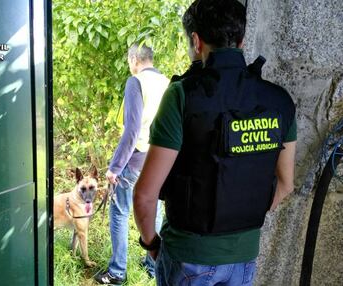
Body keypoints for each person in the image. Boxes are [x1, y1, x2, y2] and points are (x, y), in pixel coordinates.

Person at [133, 1, 297, 285]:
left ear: (196, 41)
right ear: (241, 41)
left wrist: (151, 244)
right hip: (244, 258)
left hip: (189, 256)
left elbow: (145, 195)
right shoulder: (278, 100)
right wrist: (240, 213)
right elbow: (286, 185)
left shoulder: (182, 96)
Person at [95, 43, 169, 285]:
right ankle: (152, 264)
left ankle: (117, 272)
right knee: (155, 209)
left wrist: (114, 168)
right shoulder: (168, 83)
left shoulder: (135, 82)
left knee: (119, 212)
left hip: (135, 159)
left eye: (130, 61)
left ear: (136, 59)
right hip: (159, 160)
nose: (130, 66)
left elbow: (132, 130)